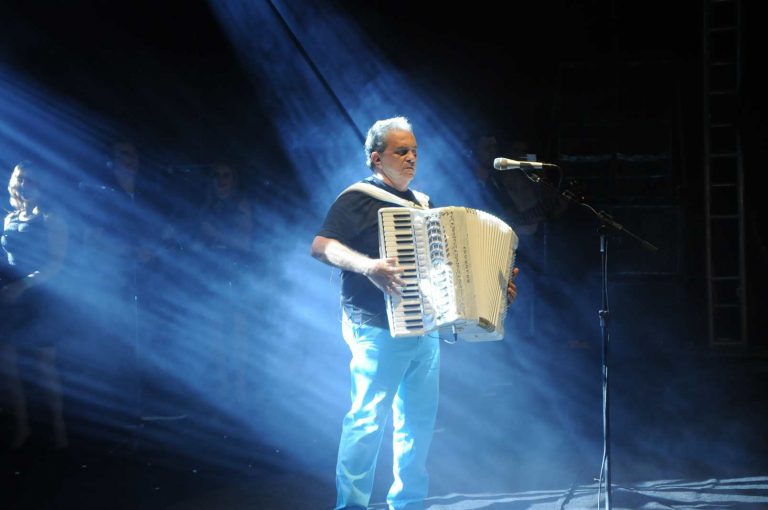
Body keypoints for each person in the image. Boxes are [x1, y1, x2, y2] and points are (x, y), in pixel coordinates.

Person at [311, 117, 518, 510]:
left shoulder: (424, 205)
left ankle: (408, 505)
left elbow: (449, 271)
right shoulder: (357, 198)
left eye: (414, 151)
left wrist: (494, 286)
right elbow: (322, 246)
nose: (411, 158)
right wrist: (368, 266)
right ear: (376, 158)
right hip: (375, 326)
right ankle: (350, 506)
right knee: (368, 422)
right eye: (401, 151)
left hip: (423, 327)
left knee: (417, 426)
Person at [0, 162, 69, 451]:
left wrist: (23, 285)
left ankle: (60, 429)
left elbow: (56, 264)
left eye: (32, 180)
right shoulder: (8, 218)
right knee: (8, 363)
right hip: (10, 297)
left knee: (44, 365)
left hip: (39, 296)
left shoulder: (51, 219)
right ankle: (23, 426)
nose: (25, 184)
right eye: (21, 179)